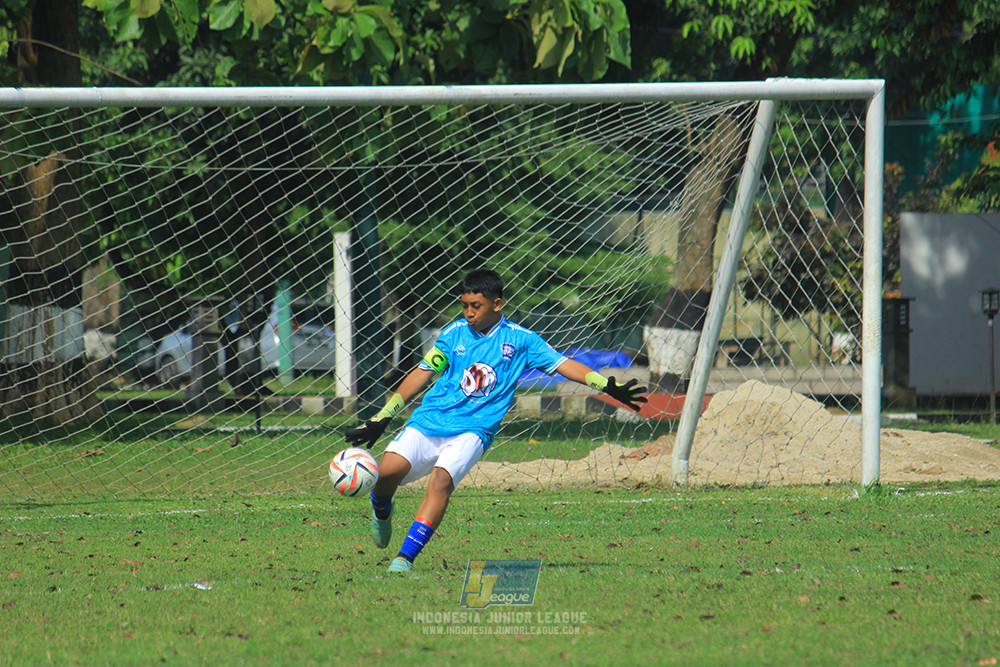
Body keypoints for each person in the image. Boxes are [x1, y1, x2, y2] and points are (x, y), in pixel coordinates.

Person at [344, 269, 647, 573]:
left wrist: (606, 385)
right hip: (428, 420)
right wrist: (383, 416)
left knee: (441, 481)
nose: (469, 313)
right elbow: (422, 373)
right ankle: (381, 510)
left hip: (474, 430)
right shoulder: (453, 333)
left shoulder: (521, 340)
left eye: (476, 306)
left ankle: (404, 558)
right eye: (464, 305)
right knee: (383, 477)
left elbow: (563, 365)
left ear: (497, 304)